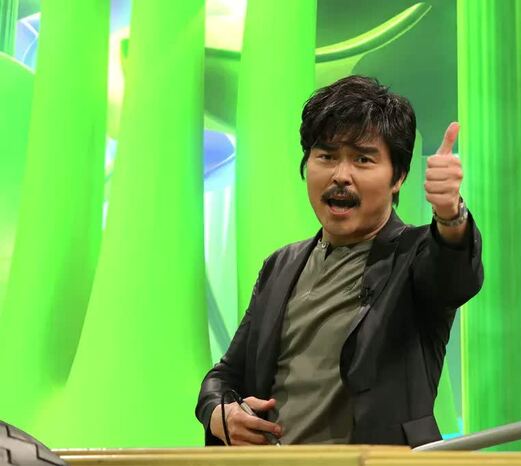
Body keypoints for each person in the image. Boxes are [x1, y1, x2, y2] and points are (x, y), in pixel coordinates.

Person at [195, 75, 483, 447]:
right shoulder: (280, 265)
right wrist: (221, 413)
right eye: (327, 156)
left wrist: (450, 213)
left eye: (363, 159)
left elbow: (454, 275)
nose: (341, 175)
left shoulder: (415, 254)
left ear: (398, 177)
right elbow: (225, 376)